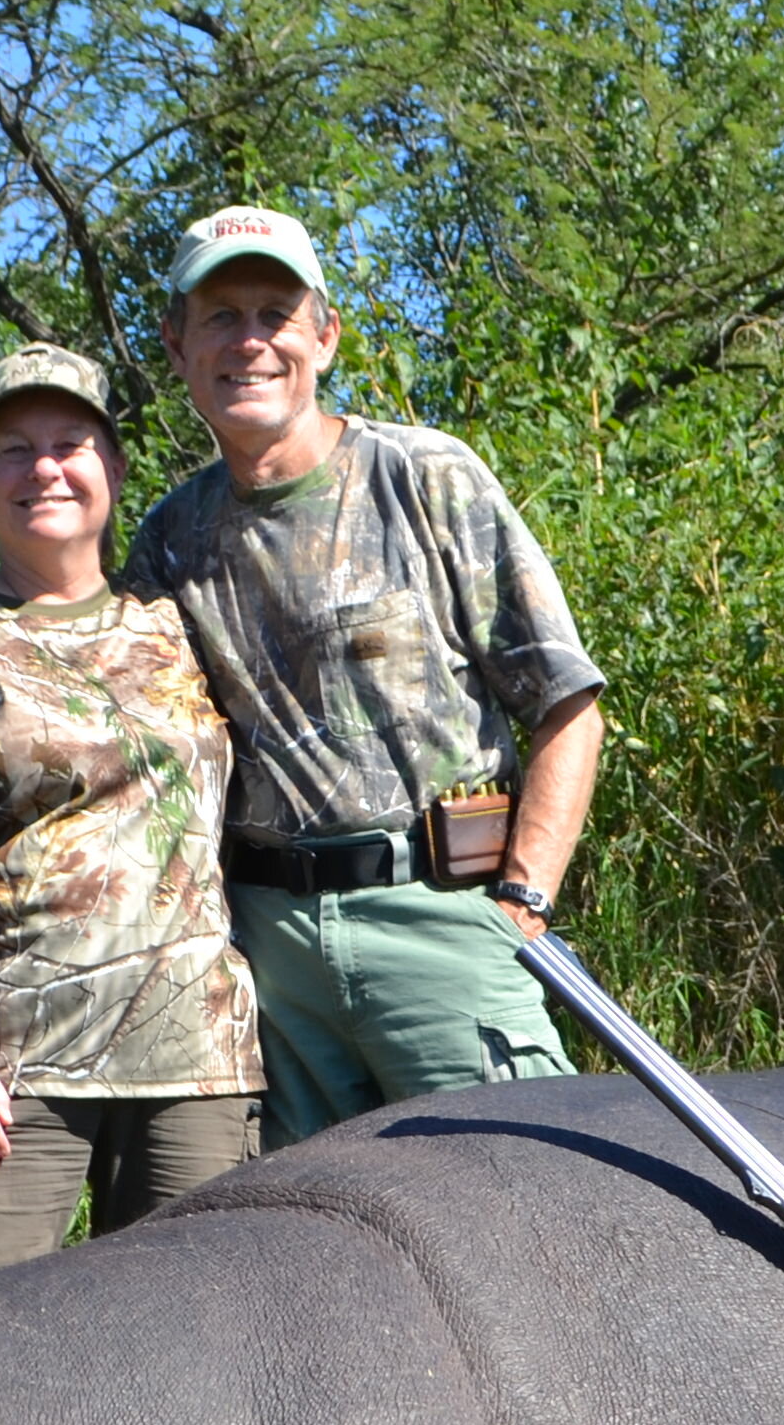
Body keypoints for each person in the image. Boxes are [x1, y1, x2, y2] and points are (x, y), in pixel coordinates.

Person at [123, 204, 605, 1143]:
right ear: (177, 346)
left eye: (276, 313)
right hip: (269, 954)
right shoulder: (167, 538)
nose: (250, 342)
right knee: (322, 1255)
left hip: (442, 915)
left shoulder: (426, 476)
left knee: (525, 1203)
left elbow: (566, 703)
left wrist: (526, 900)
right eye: (221, 318)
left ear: (325, 336)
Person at [0, 342, 261, 1293]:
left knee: (193, 1360)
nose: (44, 469)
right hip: (1, 1078)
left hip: (198, 1069)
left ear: (111, 468)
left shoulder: (181, 621)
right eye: (14, 450)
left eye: (70, 442)